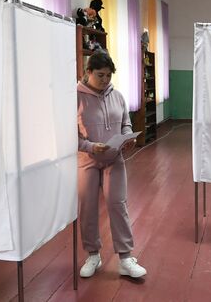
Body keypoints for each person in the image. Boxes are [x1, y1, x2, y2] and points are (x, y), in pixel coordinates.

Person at [77, 51, 146, 278]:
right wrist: (89, 146)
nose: (105, 80)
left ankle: (126, 258)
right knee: (87, 208)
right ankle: (93, 254)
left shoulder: (118, 96)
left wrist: (128, 137)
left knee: (118, 204)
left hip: (114, 159)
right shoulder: (75, 97)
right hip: (87, 161)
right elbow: (69, 136)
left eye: (108, 75)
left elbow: (126, 124)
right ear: (88, 72)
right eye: (100, 75)